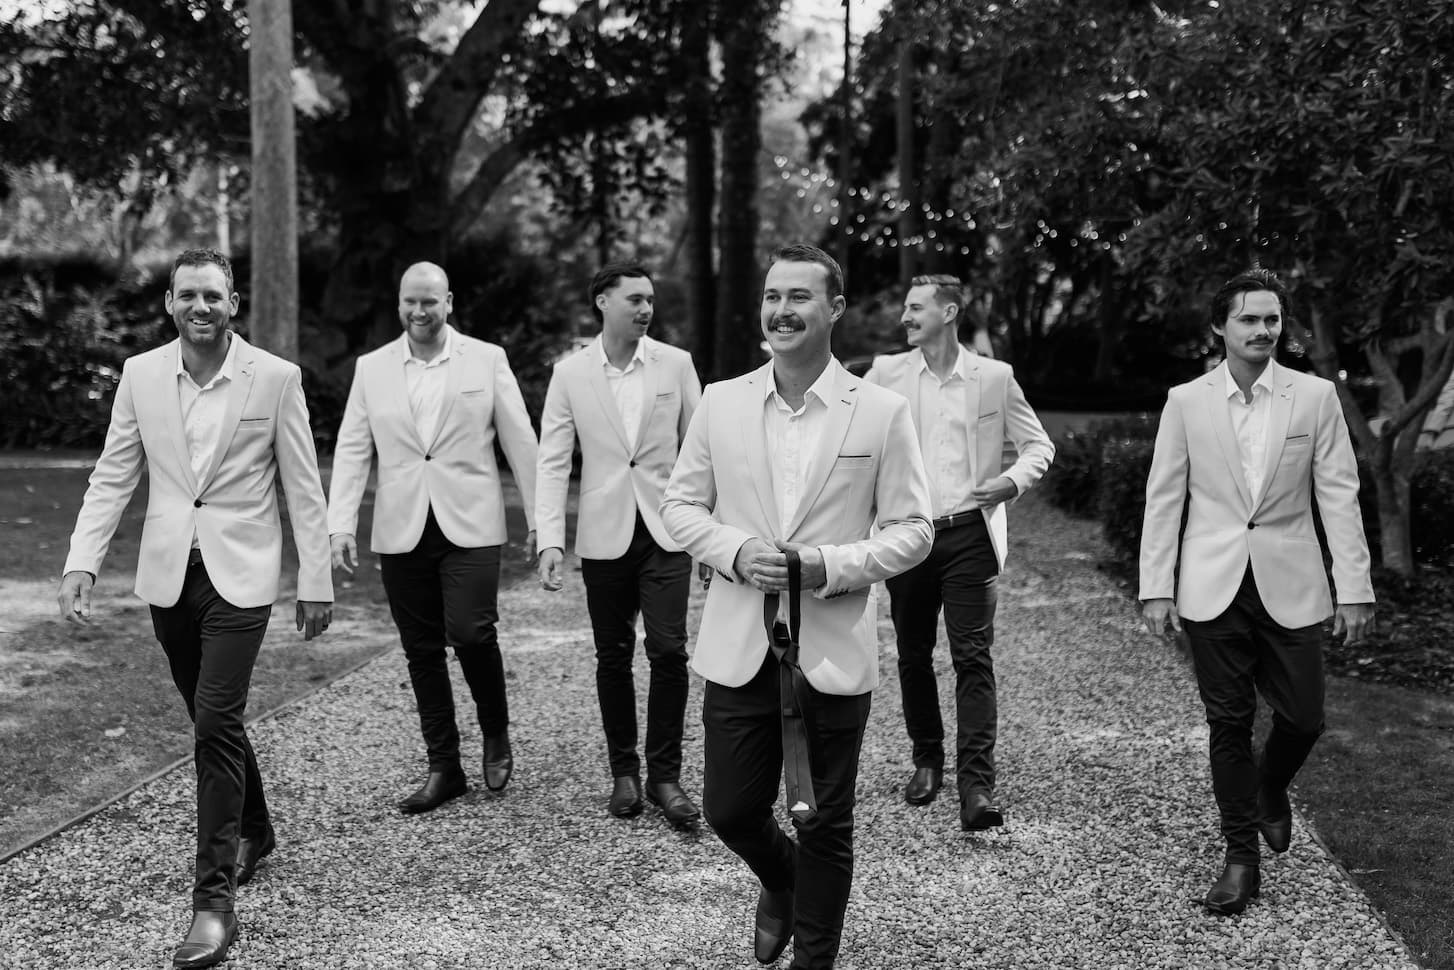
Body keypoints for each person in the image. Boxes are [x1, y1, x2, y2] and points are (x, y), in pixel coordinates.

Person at [56, 248, 333, 969]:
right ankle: (257, 827)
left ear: (233, 301)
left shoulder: (275, 379)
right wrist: (83, 560)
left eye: (214, 294)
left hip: (242, 574)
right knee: (215, 719)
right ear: (170, 304)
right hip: (170, 576)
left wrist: (316, 577)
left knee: (213, 720)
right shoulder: (142, 375)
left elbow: (303, 485)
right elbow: (115, 471)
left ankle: (212, 905)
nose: (200, 306)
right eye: (188, 295)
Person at [660, 243, 933, 969]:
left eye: (800, 297)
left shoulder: (880, 412)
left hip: (833, 649)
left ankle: (814, 960)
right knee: (729, 809)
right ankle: (781, 881)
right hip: (738, 643)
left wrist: (828, 565)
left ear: (835, 308)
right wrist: (731, 551)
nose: (782, 310)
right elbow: (680, 506)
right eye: (773, 295)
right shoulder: (721, 401)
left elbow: (914, 530)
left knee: (827, 824)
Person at [1139, 268, 1375, 915]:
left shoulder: (1315, 397)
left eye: (1272, 319)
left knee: (1304, 717)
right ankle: (1240, 859)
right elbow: (1165, 499)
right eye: (1250, 318)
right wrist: (1156, 588)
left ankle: (1271, 788)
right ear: (1220, 326)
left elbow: (1338, 494)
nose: (1264, 330)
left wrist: (1354, 587)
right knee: (1229, 724)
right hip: (1210, 585)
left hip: (1291, 581)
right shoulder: (1186, 402)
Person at [326, 261, 538, 814]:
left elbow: (521, 443)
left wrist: (544, 523)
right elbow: (352, 448)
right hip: (402, 527)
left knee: (471, 632)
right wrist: (340, 522)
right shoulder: (372, 368)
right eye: (409, 303)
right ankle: (444, 766)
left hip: (470, 524)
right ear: (399, 305)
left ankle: (495, 729)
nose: (419, 312)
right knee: (420, 650)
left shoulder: (486, 360)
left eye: (430, 302)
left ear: (449, 302)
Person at [863, 274, 1054, 830]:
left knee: (973, 656)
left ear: (949, 313)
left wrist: (1011, 482)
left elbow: (1039, 444)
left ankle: (977, 787)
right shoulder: (886, 374)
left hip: (971, 532)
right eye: (904, 306)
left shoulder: (993, 378)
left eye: (916, 306)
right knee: (914, 654)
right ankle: (927, 759)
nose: (905, 316)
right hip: (909, 534)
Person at [535, 263, 703, 827]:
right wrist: (550, 539)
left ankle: (665, 776)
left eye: (650, 299)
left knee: (670, 651)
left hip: (668, 532)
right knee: (612, 656)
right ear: (602, 302)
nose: (646, 308)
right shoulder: (570, 373)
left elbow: (701, 451)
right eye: (634, 298)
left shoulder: (676, 365)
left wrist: (710, 537)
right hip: (604, 534)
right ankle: (624, 774)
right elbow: (554, 459)